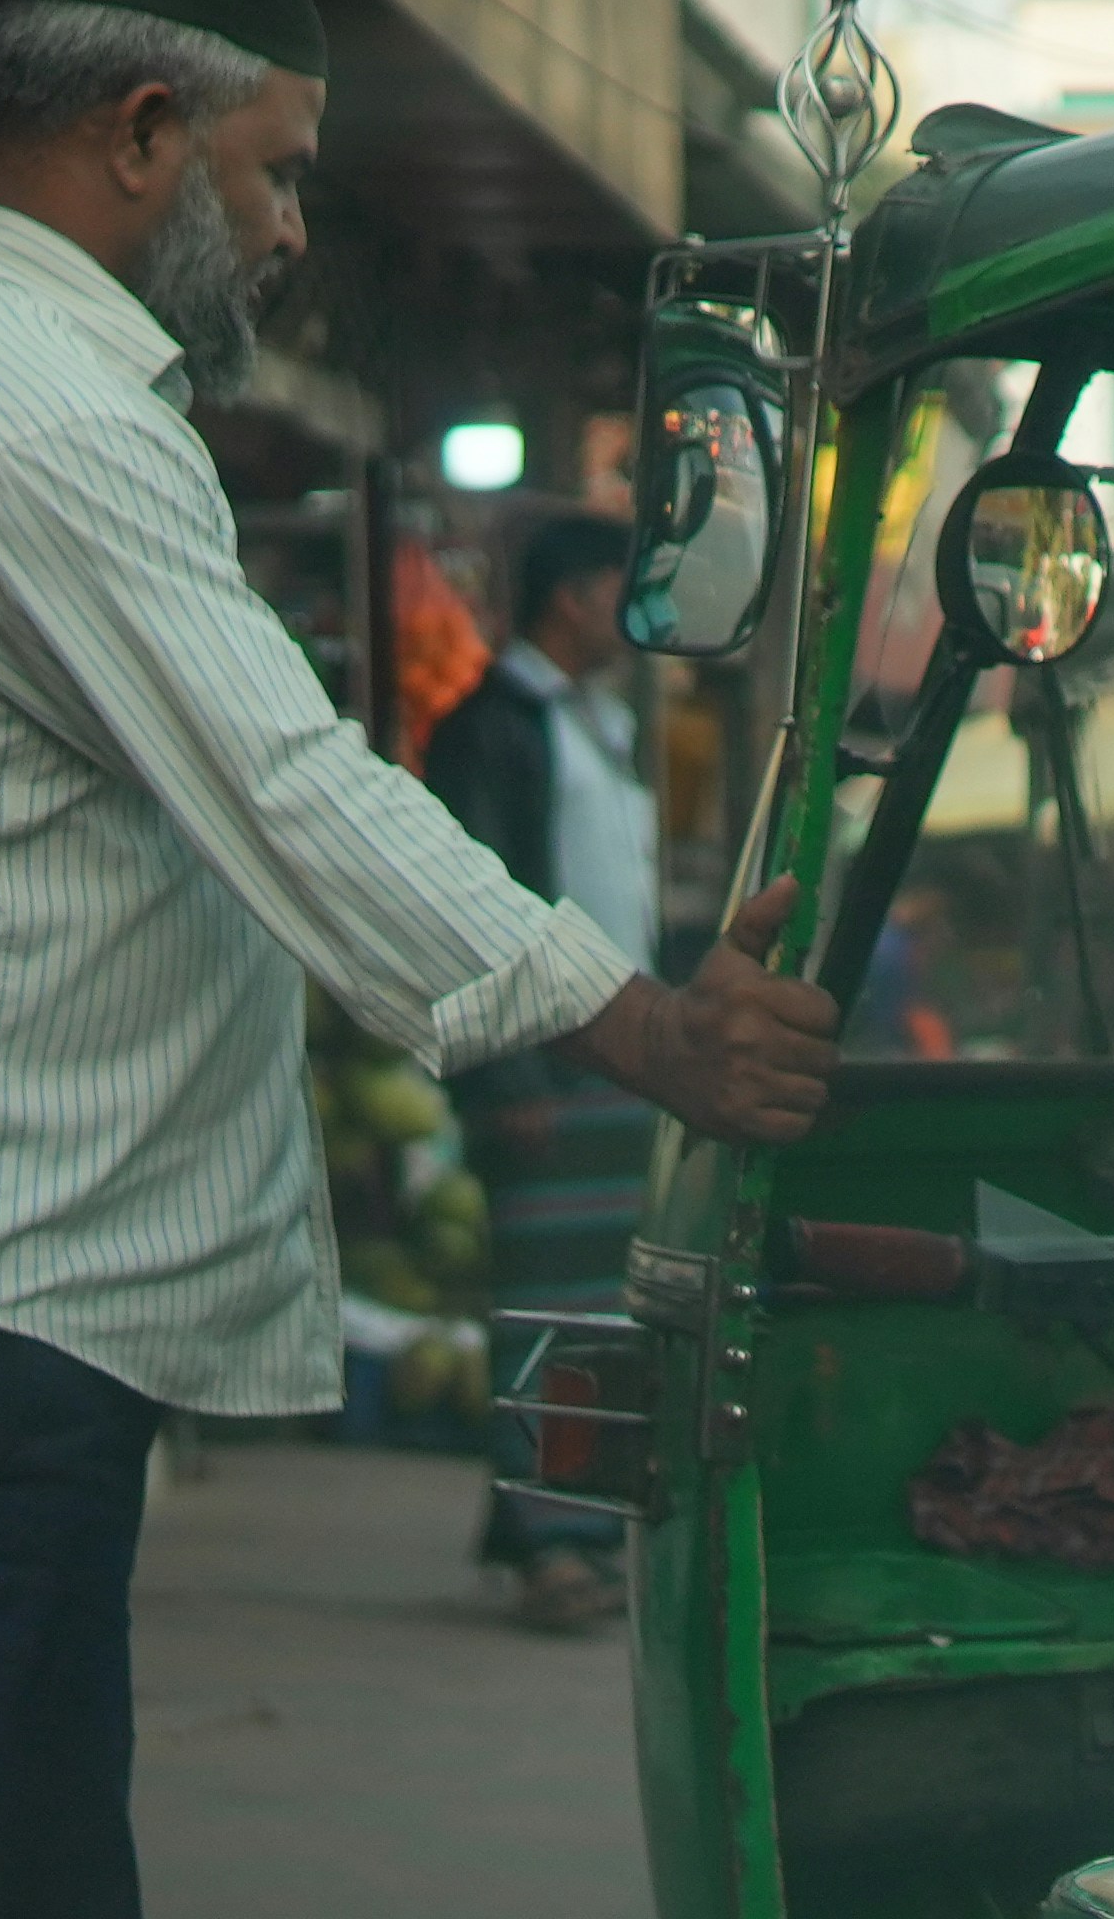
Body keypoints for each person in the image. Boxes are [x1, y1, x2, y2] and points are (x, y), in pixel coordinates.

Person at [0, 0, 839, 1919]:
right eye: (276, 170)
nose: (297, 231)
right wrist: (642, 1029)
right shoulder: (24, 417)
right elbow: (291, 788)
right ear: (143, 132)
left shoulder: (6, 392)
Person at [421, 511, 662, 1631]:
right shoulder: (493, 728)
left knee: (601, 1320)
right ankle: (551, 1541)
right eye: (623, 585)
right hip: (547, 1074)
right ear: (574, 595)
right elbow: (468, 912)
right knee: (546, 1317)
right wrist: (506, 1076)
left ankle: (562, 1528)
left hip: (617, 1065)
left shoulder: (599, 724)